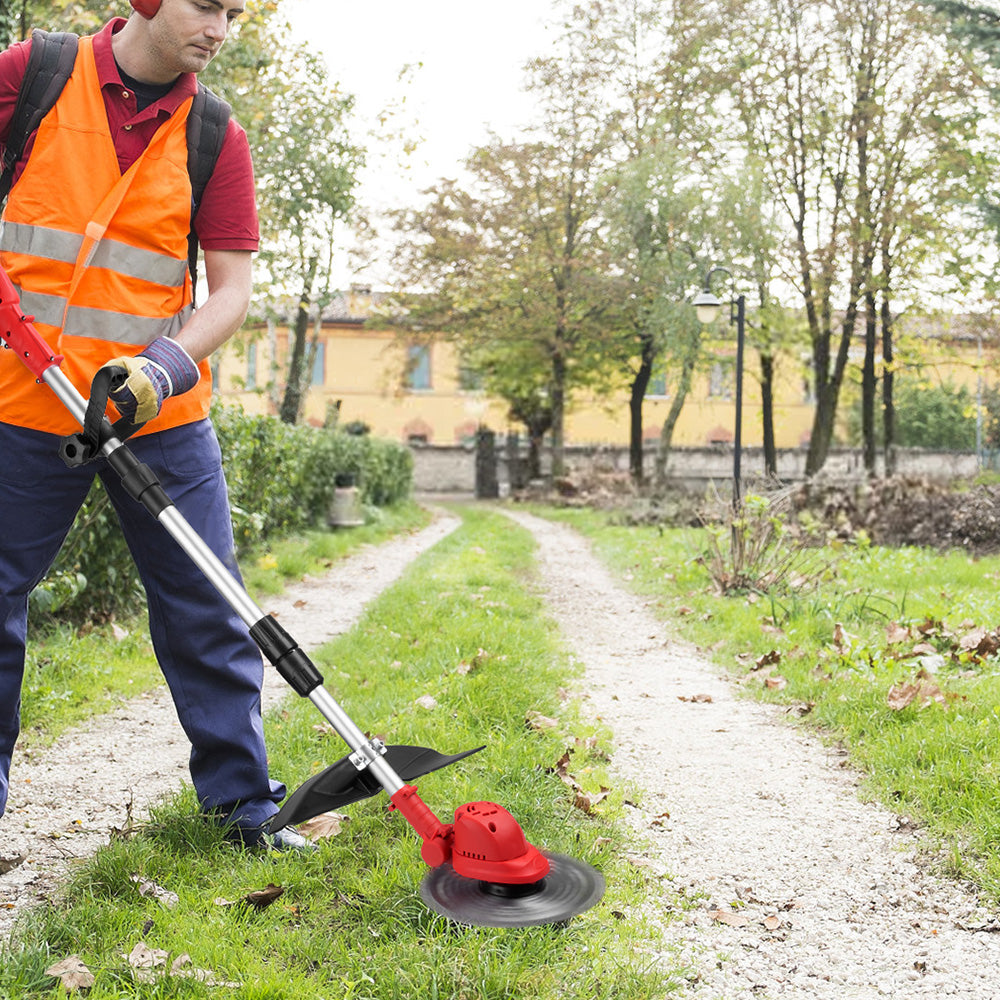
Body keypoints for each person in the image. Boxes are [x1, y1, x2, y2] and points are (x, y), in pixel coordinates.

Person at [0, 0, 310, 851]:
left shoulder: (216, 134)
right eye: (207, 5)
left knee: (209, 605)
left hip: (154, 411)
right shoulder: (35, 77)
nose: (221, 27)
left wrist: (165, 365)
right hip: (22, 404)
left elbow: (232, 291)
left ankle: (244, 807)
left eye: (234, 12)